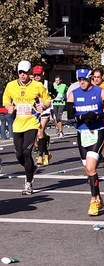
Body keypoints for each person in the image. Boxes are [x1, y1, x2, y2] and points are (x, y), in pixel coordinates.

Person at [66, 68, 104, 216]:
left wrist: (97, 116)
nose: (82, 82)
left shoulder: (100, 92)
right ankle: (99, 197)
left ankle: (94, 200)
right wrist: (82, 118)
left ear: (91, 79)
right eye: (79, 79)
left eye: (84, 79)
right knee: (88, 170)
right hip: (82, 133)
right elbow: (69, 117)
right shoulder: (72, 94)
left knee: (91, 166)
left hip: (97, 131)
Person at [2, 60, 51, 194]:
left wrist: (44, 106)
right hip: (17, 124)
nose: (22, 75)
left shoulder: (37, 85)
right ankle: (31, 169)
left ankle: (28, 183)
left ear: (30, 73)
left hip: (32, 122)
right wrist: (8, 107)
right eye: (20, 72)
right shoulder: (11, 85)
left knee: (26, 152)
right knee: (19, 155)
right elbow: (6, 99)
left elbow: (47, 99)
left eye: (25, 72)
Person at [32, 65, 52, 166]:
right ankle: (47, 153)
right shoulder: (31, 85)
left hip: (45, 111)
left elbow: (55, 94)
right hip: (34, 112)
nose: (36, 77)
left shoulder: (48, 84)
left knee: (40, 133)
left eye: (38, 75)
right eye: (35, 75)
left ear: (42, 74)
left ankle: (40, 157)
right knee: (37, 135)